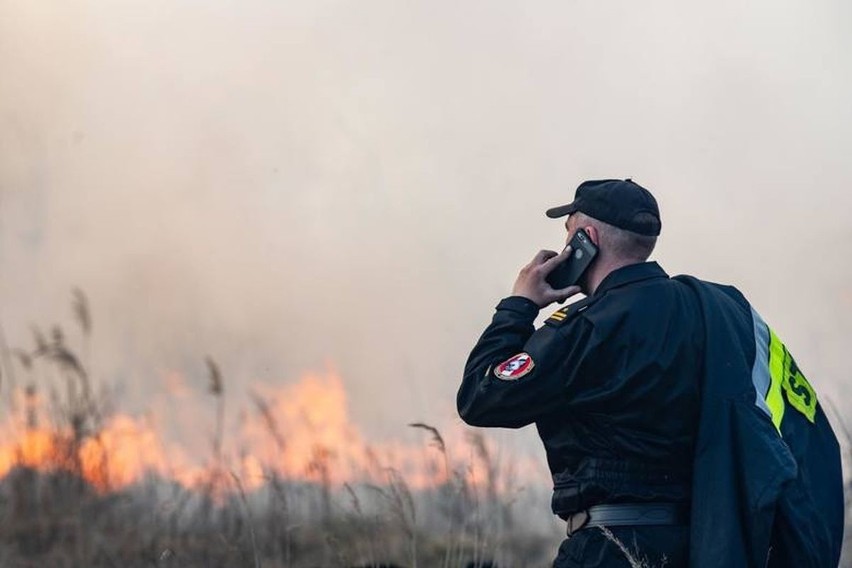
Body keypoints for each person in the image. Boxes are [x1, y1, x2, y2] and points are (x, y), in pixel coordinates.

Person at [456, 179, 843, 567]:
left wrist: (518, 305)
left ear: (585, 239)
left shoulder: (584, 329)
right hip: (705, 546)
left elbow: (480, 398)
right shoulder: (725, 312)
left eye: (568, 232)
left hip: (608, 549)